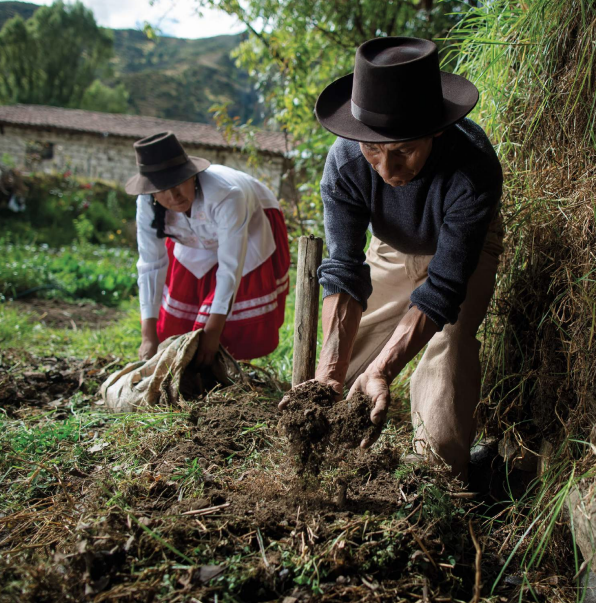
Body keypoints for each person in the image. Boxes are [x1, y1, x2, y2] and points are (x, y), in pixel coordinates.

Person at [279, 37, 504, 483]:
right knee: (335, 383)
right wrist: (330, 375)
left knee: (447, 364)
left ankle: (446, 477)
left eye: (402, 150)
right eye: (373, 150)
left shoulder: (473, 169)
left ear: (436, 130)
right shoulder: (345, 162)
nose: (387, 169)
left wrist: (385, 368)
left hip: (461, 254)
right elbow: (344, 269)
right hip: (390, 247)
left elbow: (442, 290)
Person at [125, 131, 290, 367]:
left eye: (178, 183)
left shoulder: (226, 195)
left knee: (233, 322)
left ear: (191, 175)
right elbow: (151, 264)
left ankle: (230, 365)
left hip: (250, 226)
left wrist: (212, 334)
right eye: (162, 190)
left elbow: (230, 267)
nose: (173, 196)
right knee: (177, 320)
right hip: (191, 238)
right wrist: (148, 336)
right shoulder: (147, 202)